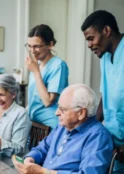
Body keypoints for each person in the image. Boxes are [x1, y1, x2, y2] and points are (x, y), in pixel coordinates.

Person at [12, 84, 114, 174]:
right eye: (58, 107)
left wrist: (44, 172)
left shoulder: (98, 136)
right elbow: (43, 148)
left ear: (81, 113)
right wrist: (30, 159)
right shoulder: (62, 126)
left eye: (63, 109)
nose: (56, 113)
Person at [81, 10, 124, 173]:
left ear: (107, 31)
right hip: (114, 140)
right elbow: (105, 96)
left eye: (91, 38)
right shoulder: (105, 57)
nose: (89, 45)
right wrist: (92, 127)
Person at [26, 24, 69, 129]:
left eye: (37, 46)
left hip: (51, 125)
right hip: (35, 123)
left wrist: (36, 72)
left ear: (50, 44)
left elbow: (48, 101)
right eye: (29, 46)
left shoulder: (58, 65)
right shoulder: (36, 65)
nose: (32, 51)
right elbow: (34, 98)